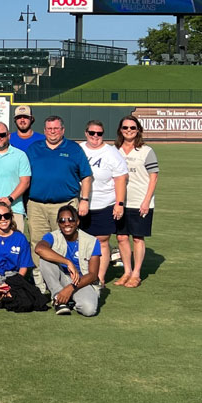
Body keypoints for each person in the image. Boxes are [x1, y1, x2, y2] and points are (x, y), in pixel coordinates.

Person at [25, 116, 93, 290]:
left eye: (56, 128)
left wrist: (84, 200)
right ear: (44, 130)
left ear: (62, 130)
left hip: (65, 205)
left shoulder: (73, 149)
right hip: (37, 204)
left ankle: (65, 282)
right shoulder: (34, 148)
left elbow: (86, 176)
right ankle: (41, 285)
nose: (52, 131)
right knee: (37, 243)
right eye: (49, 128)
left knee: (63, 243)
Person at [78, 120, 128, 287]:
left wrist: (119, 203)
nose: (95, 136)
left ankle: (99, 277)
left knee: (102, 240)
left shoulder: (111, 152)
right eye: (92, 133)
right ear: (86, 133)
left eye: (99, 133)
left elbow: (120, 179)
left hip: (104, 203)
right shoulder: (79, 149)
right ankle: (82, 274)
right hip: (80, 203)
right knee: (79, 240)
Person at [115, 116, 158, 288]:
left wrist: (146, 201)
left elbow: (153, 178)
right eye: (125, 127)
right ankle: (126, 271)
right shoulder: (114, 150)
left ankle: (136, 274)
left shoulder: (146, 151)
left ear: (138, 129)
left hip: (140, 201)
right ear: (120, 130)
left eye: (132, 127)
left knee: (138, 238)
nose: (129, 130)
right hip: (120, 202)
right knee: (121, 237)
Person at [34, 206, 101, 316]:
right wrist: (67, 262)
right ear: (58, 223)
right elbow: (39, 249)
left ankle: (68, 298)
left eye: (71, 220)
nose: (66, 224)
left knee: (89, 310)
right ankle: (58, 298)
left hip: (80, 281)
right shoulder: (52, 236)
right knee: (45, 257)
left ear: (77, 222)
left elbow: (93, 275)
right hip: (59, 276)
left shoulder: (92, 241)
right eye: (62, 220)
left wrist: (71, 288)